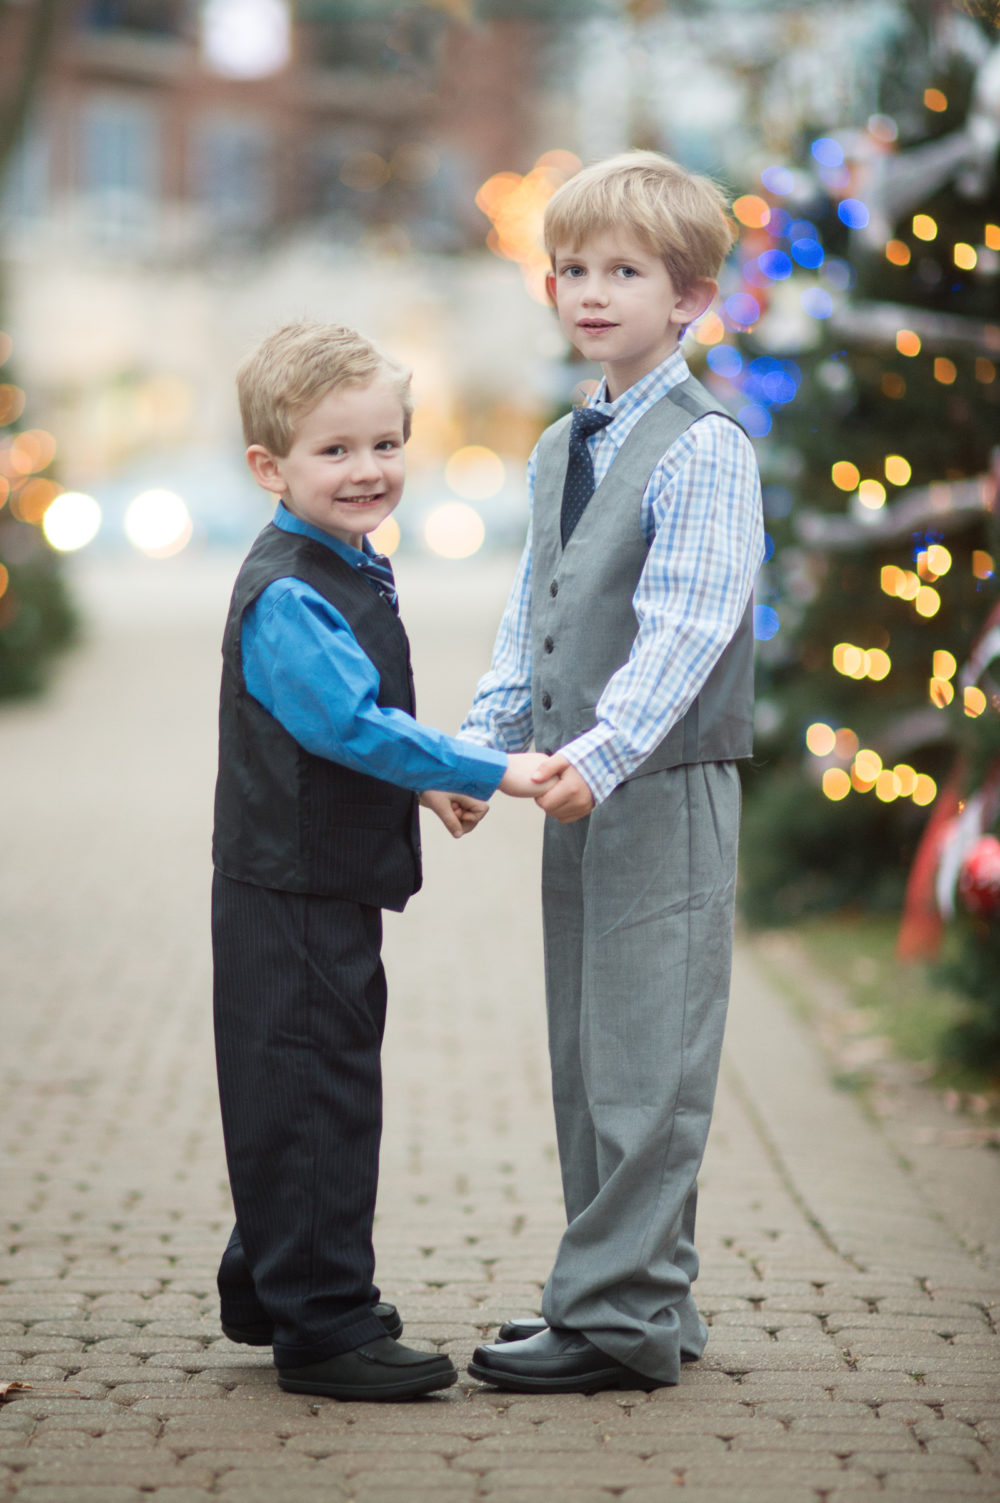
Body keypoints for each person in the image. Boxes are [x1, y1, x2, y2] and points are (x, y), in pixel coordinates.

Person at [460, 151, 765, 1394]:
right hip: (581, 788)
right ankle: (644, 1298)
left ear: (687, 298)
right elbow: (528, 614)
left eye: (623, 272)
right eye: (573, 269)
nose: (590, 291)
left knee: (650, 1063)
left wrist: (601, 752)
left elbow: (688, 627)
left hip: (661, 784)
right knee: (592, 1059)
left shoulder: (704, 450)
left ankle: (614, 1322)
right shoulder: (559, 444)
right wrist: (474, 753)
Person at [211, 321, 553, 1402]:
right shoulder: (288, 589)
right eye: (335, 451)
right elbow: (344, 721)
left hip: (316, 877)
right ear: (270, 468)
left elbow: (350, 725)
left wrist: (420, 777)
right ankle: (323, 1327)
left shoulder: (344, 560)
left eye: (385, 443)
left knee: (298, 1081)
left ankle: (271, 1284)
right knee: (318, 1091)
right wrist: (481, 763)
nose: (368, 470)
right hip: (292, 885)